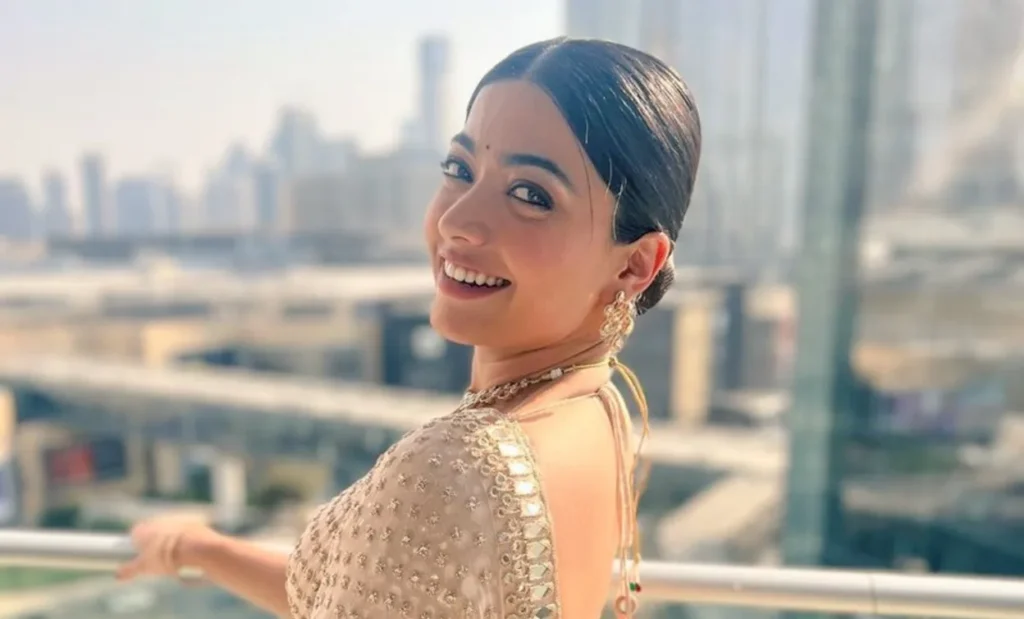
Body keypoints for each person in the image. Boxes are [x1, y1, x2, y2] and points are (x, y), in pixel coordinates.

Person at [117, 37, 701, 619]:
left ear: (635, 264)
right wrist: (201, 549)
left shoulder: (456, 466)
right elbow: (374, 592)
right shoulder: (599, 407)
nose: (456, 220)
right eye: (459, 169)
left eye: (530, 194)